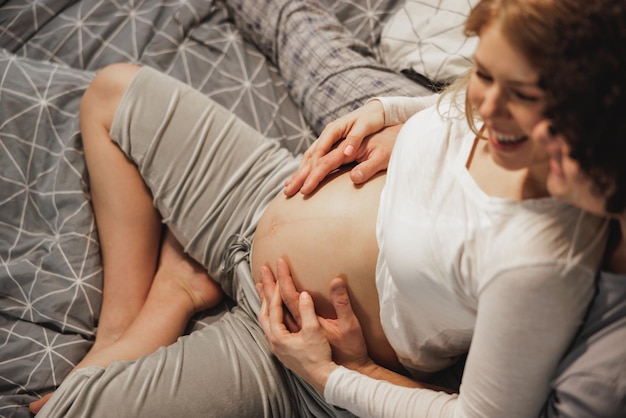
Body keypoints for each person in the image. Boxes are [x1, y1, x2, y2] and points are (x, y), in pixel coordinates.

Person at [33, 0, 610, 417]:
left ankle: (177, 294)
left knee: (69, 412)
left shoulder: (542, 261)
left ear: (582, 109)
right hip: (263, 191)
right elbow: (461, 103)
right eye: (483, 73)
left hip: (293, 342)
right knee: (112, 93)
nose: (489, 105)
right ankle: (119, 330)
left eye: (522, 96)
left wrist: (332, 373)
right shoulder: (499, 105)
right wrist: (393, 111)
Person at [258, 1, 626, 417]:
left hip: (304, 349)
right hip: (337, 170)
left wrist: (341, 374)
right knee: (287, 21)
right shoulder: (562, 116)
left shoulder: (552, 268)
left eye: (568, 138)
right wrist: (395, 112)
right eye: (484, 73)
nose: (549, 139)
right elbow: (491, 101)